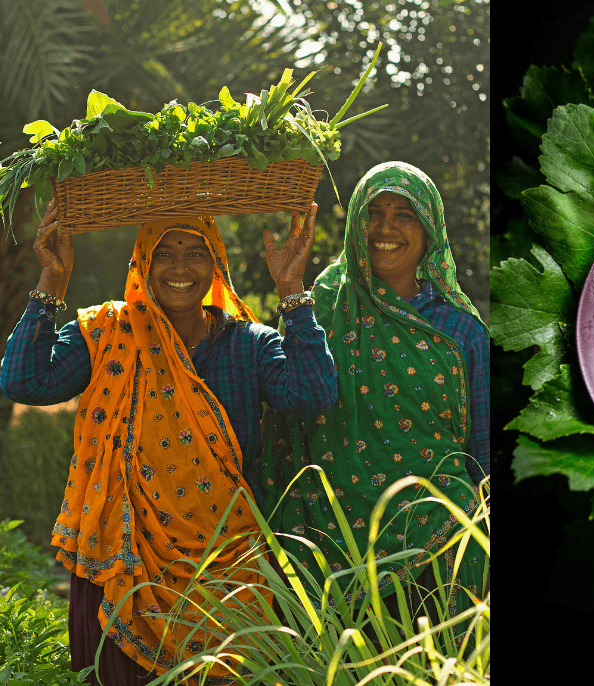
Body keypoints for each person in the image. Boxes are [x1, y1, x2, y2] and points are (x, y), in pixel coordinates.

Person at [0, 199, 337, 684]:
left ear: (215, 263)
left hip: (225, 567)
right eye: (165, 253)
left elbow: (314, 393)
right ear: (143, 264)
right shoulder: (109, 333)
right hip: (126, 563)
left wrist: (291, 288)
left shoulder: (248, 344)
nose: (180, 267)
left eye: (195, 252)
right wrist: (52, 279)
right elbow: (23, 381)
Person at [259, 161, 489, 636]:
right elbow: (292, 407)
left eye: (404, 214)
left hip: (439, 538)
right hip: (331, 539)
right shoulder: (320, 303)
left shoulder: (461, 330)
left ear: (429, 231)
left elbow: (481, 452)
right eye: (373, 212)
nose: (385, 228)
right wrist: (288, 289)